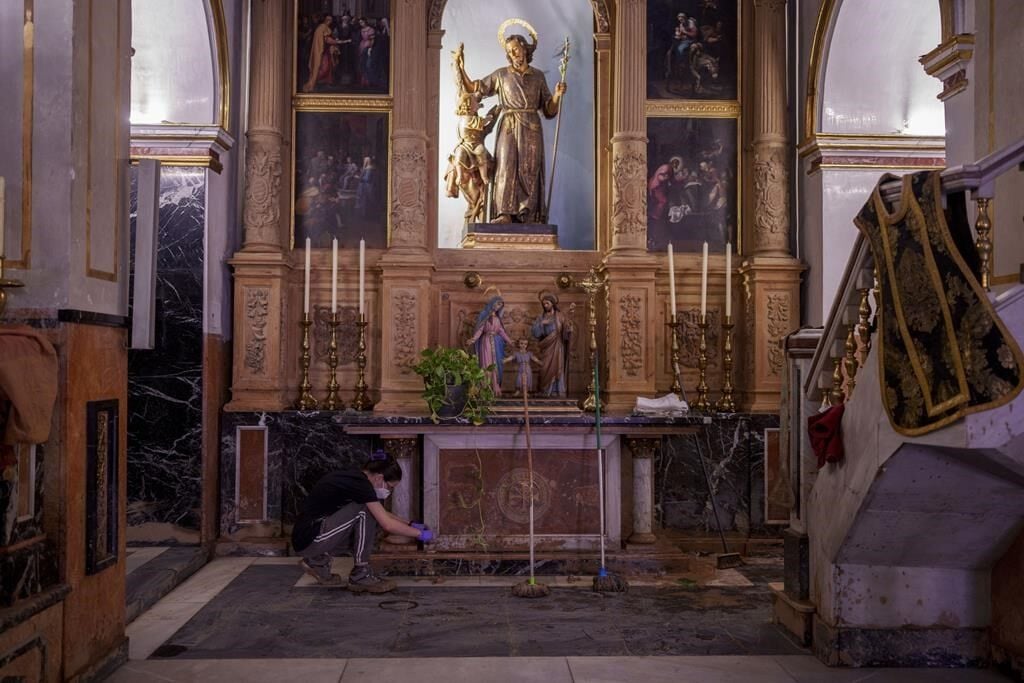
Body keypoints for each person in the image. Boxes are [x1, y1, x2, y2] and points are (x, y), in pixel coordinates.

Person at [454, 33, 566, 224]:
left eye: (515, 48)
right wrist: (461, 68)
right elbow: (475, 88)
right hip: (508, 126)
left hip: (531, 127)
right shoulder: (501, 75)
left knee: (530, 169)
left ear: (524, 48)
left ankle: (528, 215)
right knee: (505, 166)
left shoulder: (538, 76)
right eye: (509, 51)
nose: (513, 53)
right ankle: (504, 213)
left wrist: (556, 95)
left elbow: (549, 110)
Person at [291, 450, 433, 592]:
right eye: (390, 487)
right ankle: (361, 575)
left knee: (369, 512)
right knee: (365, 510)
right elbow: (386, 524)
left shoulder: (356, 479)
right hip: (311, 538)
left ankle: (317, 562)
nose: (390, 491)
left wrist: (409, 523)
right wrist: (420, 534)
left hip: (306, 537)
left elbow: (382, 513)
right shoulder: (362, 486)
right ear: (379, 478)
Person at [444, 89, 500, 224]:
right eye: (475, 103)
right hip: (465, 146)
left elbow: (484, 127)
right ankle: (458, 176)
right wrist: (488, 118)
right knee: (458, 158)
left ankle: (484, 176)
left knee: (481, 155)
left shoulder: (473, 118)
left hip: (476, 147)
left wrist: (494, 114)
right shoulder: (467, 119)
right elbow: (481, 122)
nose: (478, 104)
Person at [466, 295, 514, 396]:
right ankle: (485, 388)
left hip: (497, 343)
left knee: (497, 364)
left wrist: (510, 341)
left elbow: (501, 331)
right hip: (486, 342)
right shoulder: (485, 316)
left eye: (500, 305)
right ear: (492, 303)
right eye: (497, 304)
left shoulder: (497, 318)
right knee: (486, 364)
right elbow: (480, 329)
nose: (498, 307)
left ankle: (495, 386)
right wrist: (474, 339)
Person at [531, 292, 575, 397]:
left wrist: (568, 329)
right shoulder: (541, 317)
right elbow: (535, 333)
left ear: (553, 304)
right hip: (546, 346)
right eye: (544, 304)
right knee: (544, 368)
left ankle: (556, 391)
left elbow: (565, 330)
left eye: (547, 303)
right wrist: (541, 324)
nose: (545, 306)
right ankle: (544, 391)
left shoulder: (560, 316)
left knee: (557, 368)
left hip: (557, 345)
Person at [303, 15, 340, 93]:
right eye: (329, 20)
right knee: (324, 67)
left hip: (324, 50)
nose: (331, 21)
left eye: (331, 20)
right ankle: (317, 82)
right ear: (326, 20)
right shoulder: (323, 28)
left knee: (329, 66)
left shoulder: (321, 27)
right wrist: (336, 41)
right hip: (322, 51)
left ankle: (327, 82)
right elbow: (326, 40)